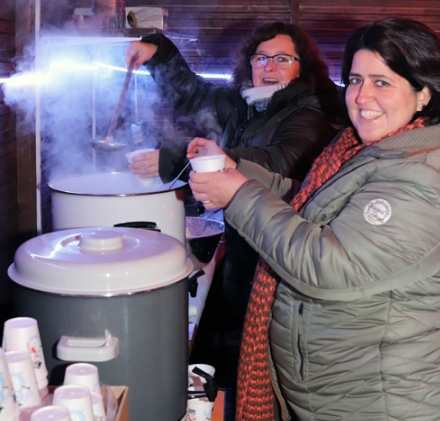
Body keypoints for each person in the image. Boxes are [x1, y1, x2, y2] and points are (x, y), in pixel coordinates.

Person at [187, 17, 440, 421]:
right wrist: (240, 172)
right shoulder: (385, 147)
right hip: (369, 407)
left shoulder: (420, 176)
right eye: (356, 80)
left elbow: (329, 264)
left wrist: (240, 196)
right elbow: (314, 203)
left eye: (383, 82)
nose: (362, 97)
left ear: (424, 92)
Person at [125, 22, 344, 322]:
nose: (269, 66)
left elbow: (280, 162)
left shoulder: (309, 111)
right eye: (260, 58)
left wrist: (182, 161)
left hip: (278, 271)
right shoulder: (247, 104)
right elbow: (194, 95)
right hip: (243, 263)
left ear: (302, 67)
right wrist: (158, 54)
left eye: (282, 59)